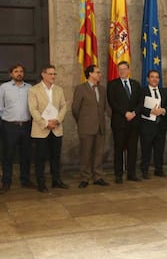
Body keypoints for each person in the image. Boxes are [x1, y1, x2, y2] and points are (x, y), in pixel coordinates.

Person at [28, 65, 68, 193]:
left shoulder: (59, 90)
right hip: (41, 130)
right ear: (43, 75)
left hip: (56, 128)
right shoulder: (34, 90)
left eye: (54, 74)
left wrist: (57, 121)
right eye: (51, 74)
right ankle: (41, 183)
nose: (53, 76)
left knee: (55, 156)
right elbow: (33, 109)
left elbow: (64, 107)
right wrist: (45, 123)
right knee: (40, 158)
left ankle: (56, 180)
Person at [0, 63, 36, 193]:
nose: (19, 73)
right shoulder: (4, 87)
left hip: (26, 125)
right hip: (10, 126)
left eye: (21, 71)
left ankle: (25, 180)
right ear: (11, 74)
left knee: (26, 155)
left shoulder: (30, 88)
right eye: (16, 71)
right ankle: (6, 182)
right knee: (8, 155)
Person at [72, 65, 109, 188]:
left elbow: (105, 107)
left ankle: (98, 176)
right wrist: (82, 121)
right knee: (85, 153)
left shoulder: (102, 89)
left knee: (99, 153)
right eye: (97, 72)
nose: (100, 74)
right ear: (90, 74)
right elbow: (75, 109)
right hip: (86, 127)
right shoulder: (80, 89)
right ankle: (85, 178)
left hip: (100, 127)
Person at [107, 61, 141, 184]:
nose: (122, 71)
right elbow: (112, 102)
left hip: (134, 122)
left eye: (124, 69)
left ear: (128, 70)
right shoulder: (112, 85)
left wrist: (134, 113)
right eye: (119, 69)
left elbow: (140, 102)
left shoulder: (136, 84)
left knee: (133, 149)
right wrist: (125, 113)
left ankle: (131, 173)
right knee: (119, 149)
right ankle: (118, 174)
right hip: (119, 122)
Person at [139, 70, 167, 179]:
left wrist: (163, 110)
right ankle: (144, 171)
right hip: (147, 125)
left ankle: (159, 170)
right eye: (152, 77)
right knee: (146, 149)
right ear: (147, 79)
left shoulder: (164, 91)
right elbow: (139, 107)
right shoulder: (142, 91)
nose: (155, 79)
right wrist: (150, 112)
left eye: (157, 77)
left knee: (159, 149)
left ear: (159, 79)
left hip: (160, 125)